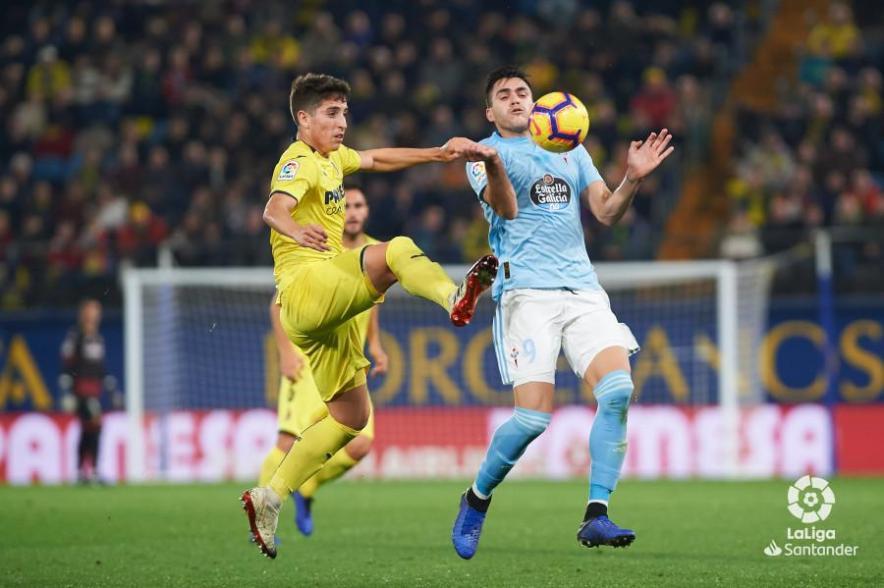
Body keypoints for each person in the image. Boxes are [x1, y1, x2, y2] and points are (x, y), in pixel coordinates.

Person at [241, 73, 499, 559]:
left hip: (322, 315)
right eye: (331, 113)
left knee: (351, 418)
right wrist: (295, 230)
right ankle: (453, 296)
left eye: (344, 112)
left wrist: (439, 154)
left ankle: (271, 495)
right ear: (303, 118)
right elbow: (273, 210)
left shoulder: (333, 158)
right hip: (306, 289)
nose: (342, 122)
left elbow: (378, 159)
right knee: (396, 250)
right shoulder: (299, 160)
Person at [450, 66, 674, 559]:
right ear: (490, 112)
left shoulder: (571, 148)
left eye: (522, 92)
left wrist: (632, 179)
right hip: (526, 294)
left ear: (537, 103)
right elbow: (507, 209)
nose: (515, 99)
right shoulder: (484, 154)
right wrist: (494, 164)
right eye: (504, 95)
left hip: (583, 290)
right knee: (532, 419)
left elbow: (607, 212)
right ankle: (476, 498)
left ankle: (596, 514)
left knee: (618, 391)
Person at [257, 186, 388, 537]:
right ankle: (263, 514)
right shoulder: (319, 244)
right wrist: (286, 354)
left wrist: (376, 345)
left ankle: (308, 486)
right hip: (308, 357)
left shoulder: (375, 251)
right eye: (346, 205)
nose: (353, 212)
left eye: (359, 205)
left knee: (359, 443)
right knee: (288, 442)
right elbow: (278, 304)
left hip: (347, 358)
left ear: (367, 210)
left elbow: (373, 304)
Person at [59, 299, 119, 484]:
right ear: (83, 314)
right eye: (91, 312)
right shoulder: (75, 336)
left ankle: (80, 472)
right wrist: (67, 390)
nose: (94, 316)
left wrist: (110, 387)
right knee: (96, 423)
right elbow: (67, 363)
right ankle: (93, 470)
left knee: (88, 429)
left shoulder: (98, 338)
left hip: (95, 389)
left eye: (96, 313)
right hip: (81, 390)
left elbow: (99, 366)